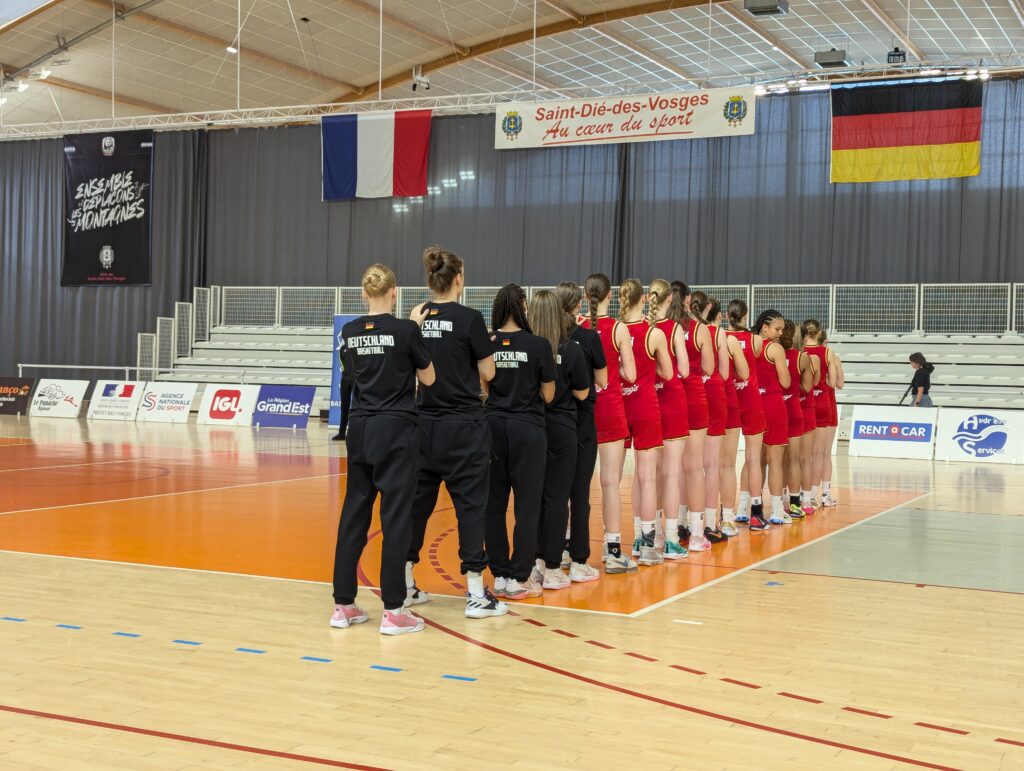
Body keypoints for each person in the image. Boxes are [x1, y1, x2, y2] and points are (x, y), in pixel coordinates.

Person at [331, 264, 435, 636]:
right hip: (396, 430)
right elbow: (429, 377)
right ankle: (393, 610)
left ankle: (343, 605)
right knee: (396, 519)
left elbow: (351, 374)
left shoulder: (349, 331)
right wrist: (413, 331)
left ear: (364, 293)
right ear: (395, 292)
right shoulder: (406, 330)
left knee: (354, 515)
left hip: (360, 429)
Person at [403, 246, 507, 619]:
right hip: (464, 427)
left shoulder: (416, 316)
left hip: (423, 425)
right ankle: (476, 594)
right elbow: (489, 372)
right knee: (470, 507)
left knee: (416, 507)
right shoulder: (470, 319)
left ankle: (405, 584)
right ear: (459, 278)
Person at [484, 284, 556, 600]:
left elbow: (484, 387)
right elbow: (549, 394)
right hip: (528, 429)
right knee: (527, 505)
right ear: (523, 307)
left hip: (493, 427)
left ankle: (500, 575)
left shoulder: (488, 343)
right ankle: (518, 577)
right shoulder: (539, 345)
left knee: (494, 504)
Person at [528, 289, 591, 590]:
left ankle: (536, 563)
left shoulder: (528, 347)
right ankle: (553, 567)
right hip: (563, 429)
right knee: (557, 499)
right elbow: (583, 392)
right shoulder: (571, 349)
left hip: (533, 427)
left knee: (534, 498)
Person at [581, 274, 638, 574]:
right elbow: (631, 374)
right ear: (610, 296)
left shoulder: (577, 326)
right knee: (610, 482)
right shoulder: (618, 329)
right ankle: (613, 549)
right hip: (611, 408)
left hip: (583, 409)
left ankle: (566, 548)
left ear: (584, 296)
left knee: (575, 482)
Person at [619, 279, 673, 566]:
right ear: (644, 300)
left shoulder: (614, 330)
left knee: (616, 479)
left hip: (618, 406)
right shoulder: (654, 334)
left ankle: (627, 541)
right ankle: (648, 545)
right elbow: (668, 373)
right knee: (647, 476)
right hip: (644, 406)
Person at [555, 281, 606, 582]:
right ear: (579, 305)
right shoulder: (588, 337)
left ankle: (554, 553)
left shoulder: (547, 338)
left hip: (554, 420)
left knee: (554, 492)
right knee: (579, 492)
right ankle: (578, 560)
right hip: (582, 420)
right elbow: (603, 380)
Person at [648, 279, 689, 560]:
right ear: (670, 299)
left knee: (647, 475)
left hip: (648, 402)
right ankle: (671, 539)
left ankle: (647, 536)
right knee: (671, 473)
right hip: (672, 401)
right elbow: (683, 370)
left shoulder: (639, 327)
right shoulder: (674, 329)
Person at [670, 281, 712, 551]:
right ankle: (696, 534)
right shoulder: (698, 329)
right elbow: (708, 367)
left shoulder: (659, 327)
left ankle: (669, 529)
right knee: (695, 467)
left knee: (668, 470)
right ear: (687, 300)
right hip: (693, 397)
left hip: (667, 398)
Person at [689, 291, 729, 545]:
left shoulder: (677, 328)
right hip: (711, 393)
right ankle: (710, 524)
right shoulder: (714, 333)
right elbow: (722, 372)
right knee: (710, 464)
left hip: (686, 394)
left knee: (686, 465)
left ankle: (683, 523)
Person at [706, 301, 749, 537]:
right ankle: (727, 519)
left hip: (701, 401)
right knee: (726, 465)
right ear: (720, 316)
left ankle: (698, 519)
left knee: (698, 467)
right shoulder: (727, 339)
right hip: (726, 401)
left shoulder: (691, 333)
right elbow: (744, 372)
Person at [725, 301, 768, 531]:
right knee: (753, 459)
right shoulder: (756, 340)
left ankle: (728, 513)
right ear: (746, 316)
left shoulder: (720, 337)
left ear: (726, 315)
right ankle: (756, 514)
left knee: (726, 464)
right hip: (750, 399)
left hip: (730, 400)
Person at [753, 309, 792, 526]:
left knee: (753, 460)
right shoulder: (775, 348)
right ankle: (777, 510)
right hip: (772, 404)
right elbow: (786, 382)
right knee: (775, 461)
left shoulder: (749, 344)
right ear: (764, 327)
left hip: (753, 405)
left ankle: (746, 508)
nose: (780, 333)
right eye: (777, 329)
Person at [802, 320, 843, 508]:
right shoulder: (828, 353)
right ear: (819, 333)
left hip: (803, 402)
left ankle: (800, 495)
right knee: (822, 453)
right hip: (823, 402)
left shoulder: (799, 351)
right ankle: (819, 495)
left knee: (803, 455)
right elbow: (835, 382)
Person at [780, 320, 813, 519]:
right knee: (794, 460)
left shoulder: (769, 352)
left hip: (774, 409)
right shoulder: (802, 358)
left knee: (775, 462)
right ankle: (795, 504)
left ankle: (779, 502)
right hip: (793, 409)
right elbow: (807, 387)